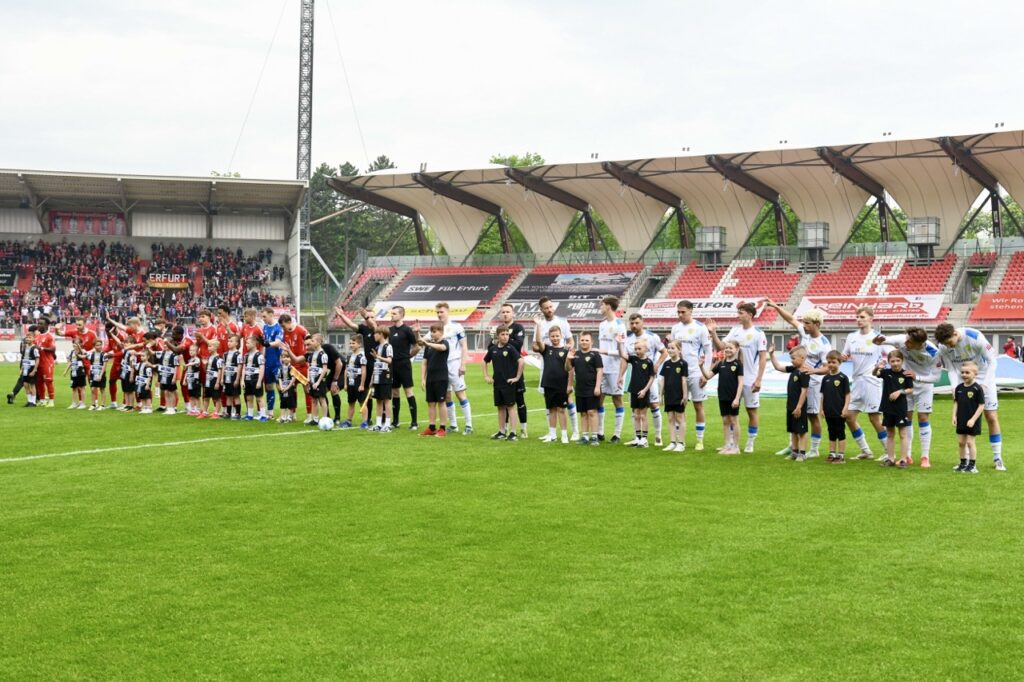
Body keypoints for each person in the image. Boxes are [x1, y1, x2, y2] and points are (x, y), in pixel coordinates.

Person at [762, 301, 832, 458]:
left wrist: (813, 370)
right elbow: (791, 320)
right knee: (795, 411)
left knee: (813, 415)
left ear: (816, 324)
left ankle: (814, 449)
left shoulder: (824, 344)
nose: (804, 325)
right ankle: (792, 447)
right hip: (799, 379)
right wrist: (776, 306)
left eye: (807, 323)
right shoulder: (805, 334)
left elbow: (828, 368)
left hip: (813, 383)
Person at [935, 323, 1005, 471]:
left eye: (949, 342)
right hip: (963, 378)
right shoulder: (943, 347)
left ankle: (998, 458)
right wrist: (954, 387)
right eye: (945, 344)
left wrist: (984, 385)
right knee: (963, 418)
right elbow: (952, 369)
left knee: (991, 416)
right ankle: (965, 461)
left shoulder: (974, 336)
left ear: (954, 333)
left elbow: (993, 361)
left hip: (984, 376)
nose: (948, 346)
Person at [871, 327, 942, 468]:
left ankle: (925, 457)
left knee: (923, 417)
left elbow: (936, 377)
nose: (906, 343)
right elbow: (884, 339)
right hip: (903, 386)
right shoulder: (903, 340)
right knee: (906, 418)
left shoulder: (933, 353)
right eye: (906, 339)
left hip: (924, 386)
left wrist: (918, 377)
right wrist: (878, 340)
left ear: (919, 343)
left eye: (909, 342)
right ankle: (907, 456)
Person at [707, 303, 767, 452]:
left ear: (750, 315)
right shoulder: (735, 330)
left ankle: (750, 442)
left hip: (750, 379)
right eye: (738, 312)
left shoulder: (759, 333)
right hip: (733, 379)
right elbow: (722, 346)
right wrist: (714, 333)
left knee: (751, 411)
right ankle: (731, 444)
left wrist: (759, 379)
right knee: (730, 414)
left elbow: (762, 358)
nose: (738, 315)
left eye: (741, 313)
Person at [841, 306, 888, 459]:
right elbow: (845, 354)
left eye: (862, 317)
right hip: (857, 382)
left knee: (874, 418)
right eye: (857, 317)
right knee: (848, 416)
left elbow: (887, 356)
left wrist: (882, 364)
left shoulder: (878, 337)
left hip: (871, 381)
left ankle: (888, 451)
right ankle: (866, 450)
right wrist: (840, 357)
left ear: (870, 319)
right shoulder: (851, 337)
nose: (859, 320)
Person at [670, 300, 713, 451]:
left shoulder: (701, 328)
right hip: (679, 373)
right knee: (678, 405)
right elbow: (674, 350)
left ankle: (699, 440)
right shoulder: (675, 328)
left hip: (695, 372)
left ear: (690, 311)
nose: (680, 315)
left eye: (683, 312)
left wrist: (705, 373)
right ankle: (678, 440)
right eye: (678, 312)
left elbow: (708, 352)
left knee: (698, 405)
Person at [534, 297, 577, 438]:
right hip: (546, 365)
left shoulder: (562, 322)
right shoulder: (539, 325)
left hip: (562, 364)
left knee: (568, 397)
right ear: (541, 309)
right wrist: (539, 348)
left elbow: (570, 341)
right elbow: (535, 345)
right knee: (549, 400)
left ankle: (575, 430)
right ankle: (551, 432)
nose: (549, 309)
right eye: (546, 308)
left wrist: (568, 349)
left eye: (551, 306)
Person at [624, 313, 668, 447]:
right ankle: (637, 437)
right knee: (635, 409)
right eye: (632, 323)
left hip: (650, 378)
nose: (634, 326)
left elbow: (664, 352)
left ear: (642, 322)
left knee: (654, 405)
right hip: (637, 378)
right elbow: (625, 358)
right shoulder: (628, 339)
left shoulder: (652, 337)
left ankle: (658, 436)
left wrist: (656, 365)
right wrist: (621, 376)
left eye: (637, 323)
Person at [699, 340, 744, 455]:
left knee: (734, 420)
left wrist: (737, 398)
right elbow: (708, 376)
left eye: (731, 348)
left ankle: (736, 447)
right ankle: (727, 445)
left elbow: (741, 383)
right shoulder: (720, 363)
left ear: (737, 349)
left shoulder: (738, 364)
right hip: (722, 396)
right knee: (725, 421)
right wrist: (701, 367)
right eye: (727, 348)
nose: (728, 350)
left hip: (733, 397)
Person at [334, 306, 377, 423]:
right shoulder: (364, 328)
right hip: (367, 365)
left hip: (378, 365)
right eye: (369, 317)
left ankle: (386, 419)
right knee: (367, 393)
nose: (371, 319)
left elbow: (373, 326)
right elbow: (351, 325)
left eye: (373, 317)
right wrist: (342, 315)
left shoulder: (378, 329)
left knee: (381, 394)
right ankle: (368, 419)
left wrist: (367, 316)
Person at [768, 345, 810, 461]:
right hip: (790, 405)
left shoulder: (804, 372)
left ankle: (802, 453)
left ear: (802, 357)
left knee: (801, 431)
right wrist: (771, 354)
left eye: (793, 358)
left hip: (798, 407)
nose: (792, 361)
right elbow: (778, 367)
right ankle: (794, 452)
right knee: (793, 430)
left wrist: (799, 407)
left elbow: (804, 391)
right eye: (791, 358)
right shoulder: (793, 369)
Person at [484, 324, 526, 441]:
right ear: (497, 336)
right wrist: (486, 375)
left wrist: (517, 377)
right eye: (503, 334)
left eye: (507, 334)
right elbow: (485, 361)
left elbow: (521, 361)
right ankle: (502, 431)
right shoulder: (493, 349)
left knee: (510, 407)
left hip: (509, 384)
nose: (505, 337)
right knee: (500, 407)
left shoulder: (510, 348)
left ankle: (513, 432)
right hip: (497, 383)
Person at [436, 302, 472, 435]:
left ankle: (469, 425)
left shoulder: (456, 327)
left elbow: (464, 346)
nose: (439, 314)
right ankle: (453, 425)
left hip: (455, 364)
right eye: (438, 312)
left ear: (447, 312)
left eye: (442, 312)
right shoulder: (436, 328)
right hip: (442, 366)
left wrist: (463, 364)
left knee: (460, 394)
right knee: (446, 396)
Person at [874, 349, 914, 468]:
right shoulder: (886, 372)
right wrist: (877, 367)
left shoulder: (906, 374)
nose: (895, 363)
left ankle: (903, 460)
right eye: (892, 361)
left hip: (901, 408)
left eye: (898, 360)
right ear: (889, 362)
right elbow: (874, 374)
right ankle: (890, 459)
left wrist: (899, 392)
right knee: (890, 433)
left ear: (902, 361)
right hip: (887, 407)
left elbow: (910, 389)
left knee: (902, 433)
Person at [596, 296, 628, 443]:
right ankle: (600, 432)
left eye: (602, 305)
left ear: (608, 306)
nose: (600, 308)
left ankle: (617, 434)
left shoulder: (620, 325)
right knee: (599, 399)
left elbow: (623, 352)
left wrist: (605, 352)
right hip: (601, 367)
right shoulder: (602, 325)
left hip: (615, 368)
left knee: (617, 399)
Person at [533, 324, 571, 444]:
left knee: (561, 410)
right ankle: (552, 434)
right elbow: (538, 341)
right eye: (552, 336)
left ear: (561, 336)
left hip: (562, 385)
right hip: (548, 384)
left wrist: (570, 385)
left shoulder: (566, 350)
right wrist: (538, 325)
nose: (555, 338)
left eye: (557, 336)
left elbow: (570, 369)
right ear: (549, 337)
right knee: (551, 409)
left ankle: (564, 435)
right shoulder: (547, 349)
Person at [566, 331, 603, 447]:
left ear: (591, 342)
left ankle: (594, 436)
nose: (584, 342)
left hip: (592, 388)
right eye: (582, 340)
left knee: (592, 412)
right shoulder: (575, 354)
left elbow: (600, 371)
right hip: (580, 389)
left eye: (587, 340)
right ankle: (585, 436)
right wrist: (568, 358)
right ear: (579, 341)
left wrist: (597, 387)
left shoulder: (595, 355)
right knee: (583, 413)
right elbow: (568, 369)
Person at [497, 303, 529, 438]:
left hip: (516, 370)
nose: (505, 314)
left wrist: (503, 339)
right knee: (503, 402)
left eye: (508, 312)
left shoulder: (518, 327)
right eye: (503, 312)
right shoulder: (498, 329)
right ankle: (503, 430)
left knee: (519, 400)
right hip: (502, 372)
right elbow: (491, 346)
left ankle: (523, 429)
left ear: (513, 313)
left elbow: (518, 344)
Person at [618, 337, 656, 449]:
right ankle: (638, 437)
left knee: (643, 415)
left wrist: (645, 390)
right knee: (636, 415)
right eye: (635, 349)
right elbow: (623, 355)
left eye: (639, 348)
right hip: (633, 390)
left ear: (646, 349)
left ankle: (644, 439)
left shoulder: (649, 362)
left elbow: (652, 377)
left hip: (643, 392)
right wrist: (620, 344)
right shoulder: (634, 359)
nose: (637, 351)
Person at [387, 306, 420, 430]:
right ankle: (395, 421)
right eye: (392, 313)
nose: (392, 315)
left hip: (404, 365)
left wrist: (407, 357)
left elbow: (417, 347)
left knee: (408, 392)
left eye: (394, 313)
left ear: (401, 315)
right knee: (395, 392)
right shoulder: (388, 330)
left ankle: (414, 422)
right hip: (392, 365)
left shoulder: (407, 330)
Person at [952, 361, 986, 474]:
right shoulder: (959, 388)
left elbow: (981, 406)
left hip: (972, 421)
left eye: (967, 372)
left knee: (970, 443)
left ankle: (972, 465)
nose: (964, 375)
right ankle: (963, 463)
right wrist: (954, 416)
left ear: (975, 374)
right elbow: (956, 402)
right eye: (962, 372)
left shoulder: (977, 388)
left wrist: (973, 419)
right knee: (961, 443)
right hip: (961, 419)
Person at [278, 314, 313, 420]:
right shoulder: (285, 333)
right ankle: (292, 414)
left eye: (283, 326)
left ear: (288, 322)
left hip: (302, 366)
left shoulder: (301, 330)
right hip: (292, 367)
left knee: (307, 390)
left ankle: (309, 415)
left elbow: (310, 342)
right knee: (291, 391)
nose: (283, 328)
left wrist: (307, 357)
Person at [418, 323, 451, 438]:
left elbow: (442, 348)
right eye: (431, 331)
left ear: (441, 332)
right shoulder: (429, 346)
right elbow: (424, 363)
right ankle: (431, 427)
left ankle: (442, 428)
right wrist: (422, 378)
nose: (432, 333)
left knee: (441, 402)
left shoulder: (444, 342)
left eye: (435, 331)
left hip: (441, 377)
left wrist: (427, 343)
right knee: (430, 403)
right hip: (430, 378)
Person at [819, 350, 852, 464]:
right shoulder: (825, 378)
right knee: (831, 432)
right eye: (829, 362)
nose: (831, 364)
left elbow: (847, 394)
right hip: (828, 411)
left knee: (840, 432)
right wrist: (822, 409)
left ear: (839, 362)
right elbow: (823, 395)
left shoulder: (843, 378)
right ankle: (832, 453)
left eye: (833, 362)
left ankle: (841, 456)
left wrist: (845, 408)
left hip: (839, 411)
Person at [659, 340, 689, 452]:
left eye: (673, 348)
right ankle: (672, 442)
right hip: (669, 395)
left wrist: (685, 395)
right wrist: (660, 395)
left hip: (679, 395)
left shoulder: (683, 364)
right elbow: (662, 380)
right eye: (669, 348)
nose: (670, 350)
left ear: (679, 350)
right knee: (670, 418)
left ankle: (681, 443)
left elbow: (684, 380)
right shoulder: (666, 364)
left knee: (680, 418)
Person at [314, 333, 345, 425]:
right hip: (333, 370)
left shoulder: (327, 348)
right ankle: (327, 417)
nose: (310, 343)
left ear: (319, 342)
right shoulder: (316, 352)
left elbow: (339, 364)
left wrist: (334, 381)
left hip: (342, 370)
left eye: (312, 340)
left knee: (334, 390)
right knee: (322, 392)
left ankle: (337, 418)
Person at [260, 307, 284, 418]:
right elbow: (264, 344)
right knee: (269, 387)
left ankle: (286, 412)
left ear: (271, 314)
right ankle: (270, 412)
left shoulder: (278, 327)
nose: (263, 318)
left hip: (277, 361)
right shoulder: (264, 327)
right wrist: (262, 357)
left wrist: (267, 344)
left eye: (264, 316)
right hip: (267, 361)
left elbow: (278, 342)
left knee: (280, 388)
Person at [369, 327, 394, 432]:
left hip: (385, 377)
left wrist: (378, 357)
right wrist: (372, 379)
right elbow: (376, 365)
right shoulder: (377, 347)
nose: (374, 335)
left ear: (382, 334)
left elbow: (389, 360)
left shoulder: (388, 346)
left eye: (376, 334)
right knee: (378, 400)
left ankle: (387, 424)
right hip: (377, 377)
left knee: (386, 400)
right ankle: (379, 424)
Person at [340, 335, 368, 429]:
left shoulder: (361, 357)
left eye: (353, 343)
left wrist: (362, 384)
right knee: (351, 403)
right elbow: (346, 371)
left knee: (362, 403)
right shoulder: (349, 356)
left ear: (359, 344)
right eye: (350, 343)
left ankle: (365, 422)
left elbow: (364, 371)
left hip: (358, 383)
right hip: (350, 383)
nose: (351, 345)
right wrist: (345, 383)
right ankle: (348, 421)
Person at [8, 325, 38, 405]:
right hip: (27, 363)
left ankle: (33, 400)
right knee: (26, 382)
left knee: (26, 382)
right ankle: (32, 400)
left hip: (26, 363)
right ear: (35, 332)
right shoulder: (32, 343)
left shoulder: (25, 342)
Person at [243, 335, 267, 421]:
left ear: (254, 344)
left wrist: (259, 381)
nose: (246, 344)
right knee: (248, 397)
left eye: (248, 343)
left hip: (255, 378)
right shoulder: (246, 355)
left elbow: (262, 369)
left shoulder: (259, 355)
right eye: (246, 343)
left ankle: (263, 415)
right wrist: (242, 380)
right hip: (247, 379)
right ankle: (250, 415)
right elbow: (244, 368)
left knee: (259, 397)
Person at [34, 317, 57, 407]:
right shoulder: (38, 336)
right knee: (39, 382)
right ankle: (42, 400)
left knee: (48, 381)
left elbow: (53, 348)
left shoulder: (49, 336)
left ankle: (51, 401)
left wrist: (42, 348)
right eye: (38, 323)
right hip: (39, 362)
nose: (39, 325)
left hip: (47, 362)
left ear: (46, 325)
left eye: (41, 323)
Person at [199, 339, 224, 420]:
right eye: (208, 346)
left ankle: (216, 413)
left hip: (214, 380)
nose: (208, 348)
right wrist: (205, 366)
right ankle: (205, 412)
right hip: (208, 381)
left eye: (210, 346)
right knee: (206, 397)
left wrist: (218, 382)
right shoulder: (209, 357)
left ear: (216, 347)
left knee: (217, 398)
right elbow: (207, 370)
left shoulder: (219, 358)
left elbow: (220, 370)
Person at [156, 340, 181, 416]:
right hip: (163, 375)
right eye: (164, 345)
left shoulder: (174, 355)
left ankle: (173, 408)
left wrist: (174, 377)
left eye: (166, 345)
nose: (165, 346)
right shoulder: (163, 353)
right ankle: (168, 407)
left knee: (171, 392)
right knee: (166, 392)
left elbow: (176, 367)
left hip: (170, 376)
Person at [222, 334, 243, 419]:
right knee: (228, 395)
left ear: (236, 343)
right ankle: (228, 413)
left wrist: (237, 379)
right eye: (228, 341)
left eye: (231, 341)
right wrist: (222, 378)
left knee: (236, 395)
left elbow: (239, 367)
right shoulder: (225, 354)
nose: (229, 343)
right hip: (226, 377)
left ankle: (238, 413)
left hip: (234, 377)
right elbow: (223, 366)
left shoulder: (238, 354)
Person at [19, 326, 40, 407]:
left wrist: (34, 370)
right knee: (25, 384)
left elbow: (37, 359)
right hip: (25, 369)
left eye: (30, 337)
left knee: (32, 385)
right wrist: (22, 368)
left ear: (33, 338)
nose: (28, 339)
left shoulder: (35, 348)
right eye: (27, 337)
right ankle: (29, 401)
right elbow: (24, 359)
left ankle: (33, 402)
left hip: (31, 368)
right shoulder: (25, 348)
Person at [64, 341, 88, 409]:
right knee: (74, 388)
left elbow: (84, 355)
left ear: (79, 344)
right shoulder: (72, 352)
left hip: (80, 372)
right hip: (73, 372)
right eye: (74, 344)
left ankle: (83, 403)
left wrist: (79, 347)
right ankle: (74, 403)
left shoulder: (82, 351)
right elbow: (70, 362)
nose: (74, 345)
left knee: (81, 387)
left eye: (76, 344)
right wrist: (66, 370)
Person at [86, 343, 109, 410]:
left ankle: (103, 405)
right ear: (94, 346)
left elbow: (104, 366)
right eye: (97, 345)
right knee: (93, 389)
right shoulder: (91, 354)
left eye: (100, 345)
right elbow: (84, 356)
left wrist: (101, 375)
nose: (99, 346)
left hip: (100, 374)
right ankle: (93, 404)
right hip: (93, 374)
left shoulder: (104, 354)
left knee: (102, 389)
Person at [277, 353, 298, 424]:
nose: (285, 359)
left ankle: (290, 416)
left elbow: (293, 379)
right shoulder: (280, 368)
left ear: (290, 359)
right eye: (283, 357)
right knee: (283, 402)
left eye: (287, 357)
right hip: (283, 387)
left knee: (290, 402)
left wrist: (288, 387)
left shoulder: (292, 368)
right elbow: (279, 378)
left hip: (290, 388)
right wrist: (281, 387)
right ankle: (283, 417)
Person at [135, 349, 156, 414]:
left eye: (143, 356)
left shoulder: (148, 365)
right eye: (141, 356)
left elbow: (149, 376)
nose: (141, 357)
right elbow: (134, 367)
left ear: (148, 357)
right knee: (142, 395)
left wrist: (147, 384)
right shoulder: (140, 364)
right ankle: (144, 408)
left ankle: (149, 408)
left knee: (147, 395)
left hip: (146, 383)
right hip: (140, 382)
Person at [184, 344, 202, 416]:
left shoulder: (196, 359)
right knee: (191, 395)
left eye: (193, 350)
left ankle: (198, 409)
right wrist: (185, 379)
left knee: (196, 396)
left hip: (195, 380)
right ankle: (192, 409)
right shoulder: (190, 360)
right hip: (189, 380)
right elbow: (187, 371)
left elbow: (197, 363)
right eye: (190, 350)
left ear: (197, 352)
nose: (191, 352)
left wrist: (189, 364)